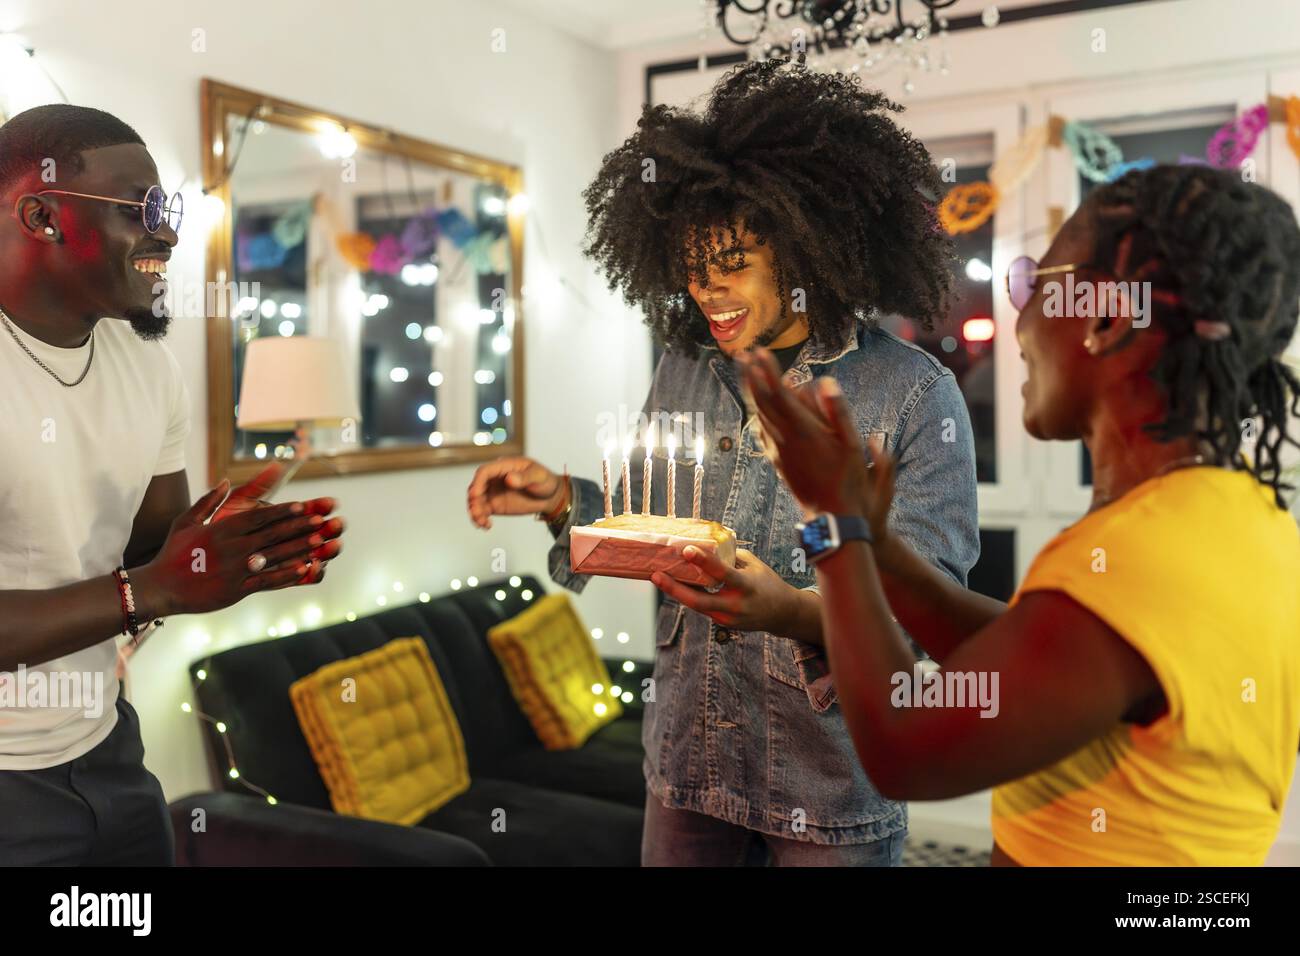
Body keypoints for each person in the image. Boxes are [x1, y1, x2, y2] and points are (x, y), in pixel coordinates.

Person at [467, 60, 980, 865]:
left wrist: (793, 610)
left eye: (733, 263)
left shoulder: (913, 395)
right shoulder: (684, 362)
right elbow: (657, 518)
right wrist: (564, 500)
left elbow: (928, 614)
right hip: (688, 768)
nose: (707, 291)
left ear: (808, 251)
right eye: (692, 267)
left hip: (829, 785)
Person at [742, 163, 1300, 866]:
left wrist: (834, 529)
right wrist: (878, 544)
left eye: (1036, 284)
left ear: (1101, 317)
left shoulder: (1139, 558)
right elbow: (1034, 658)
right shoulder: (1244, 522)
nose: (1018, 318)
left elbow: (905, 749)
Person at [0, 104, 345, 865]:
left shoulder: (145, 364)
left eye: (170, 208)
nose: (169, 232)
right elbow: (142, 585)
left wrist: (226, 546)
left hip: (105, 747)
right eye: (143, 209)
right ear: (42, 214)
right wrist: (148, 590)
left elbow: (153, 549)